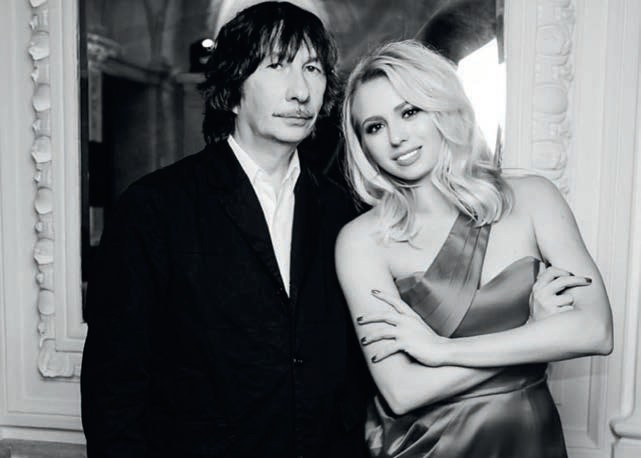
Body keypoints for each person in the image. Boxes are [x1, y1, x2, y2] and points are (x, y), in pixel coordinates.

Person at [80, 2, 368, 457]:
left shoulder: (343, 209)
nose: (300, 91)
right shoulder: (154, 207)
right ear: (233, 90)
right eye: (277, 65)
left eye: (312, 68)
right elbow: (113, 387)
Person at [336, 39, 613, 458]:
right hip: (426, 446)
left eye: (409, 112)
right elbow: (402, 391)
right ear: (362, 144)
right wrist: (534, 337)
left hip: (530, 441)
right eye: (374, 126)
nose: (396, 137)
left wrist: (441, 351)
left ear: (443, 108)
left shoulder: (533, 198)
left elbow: (596, 330)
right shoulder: (362, 241)